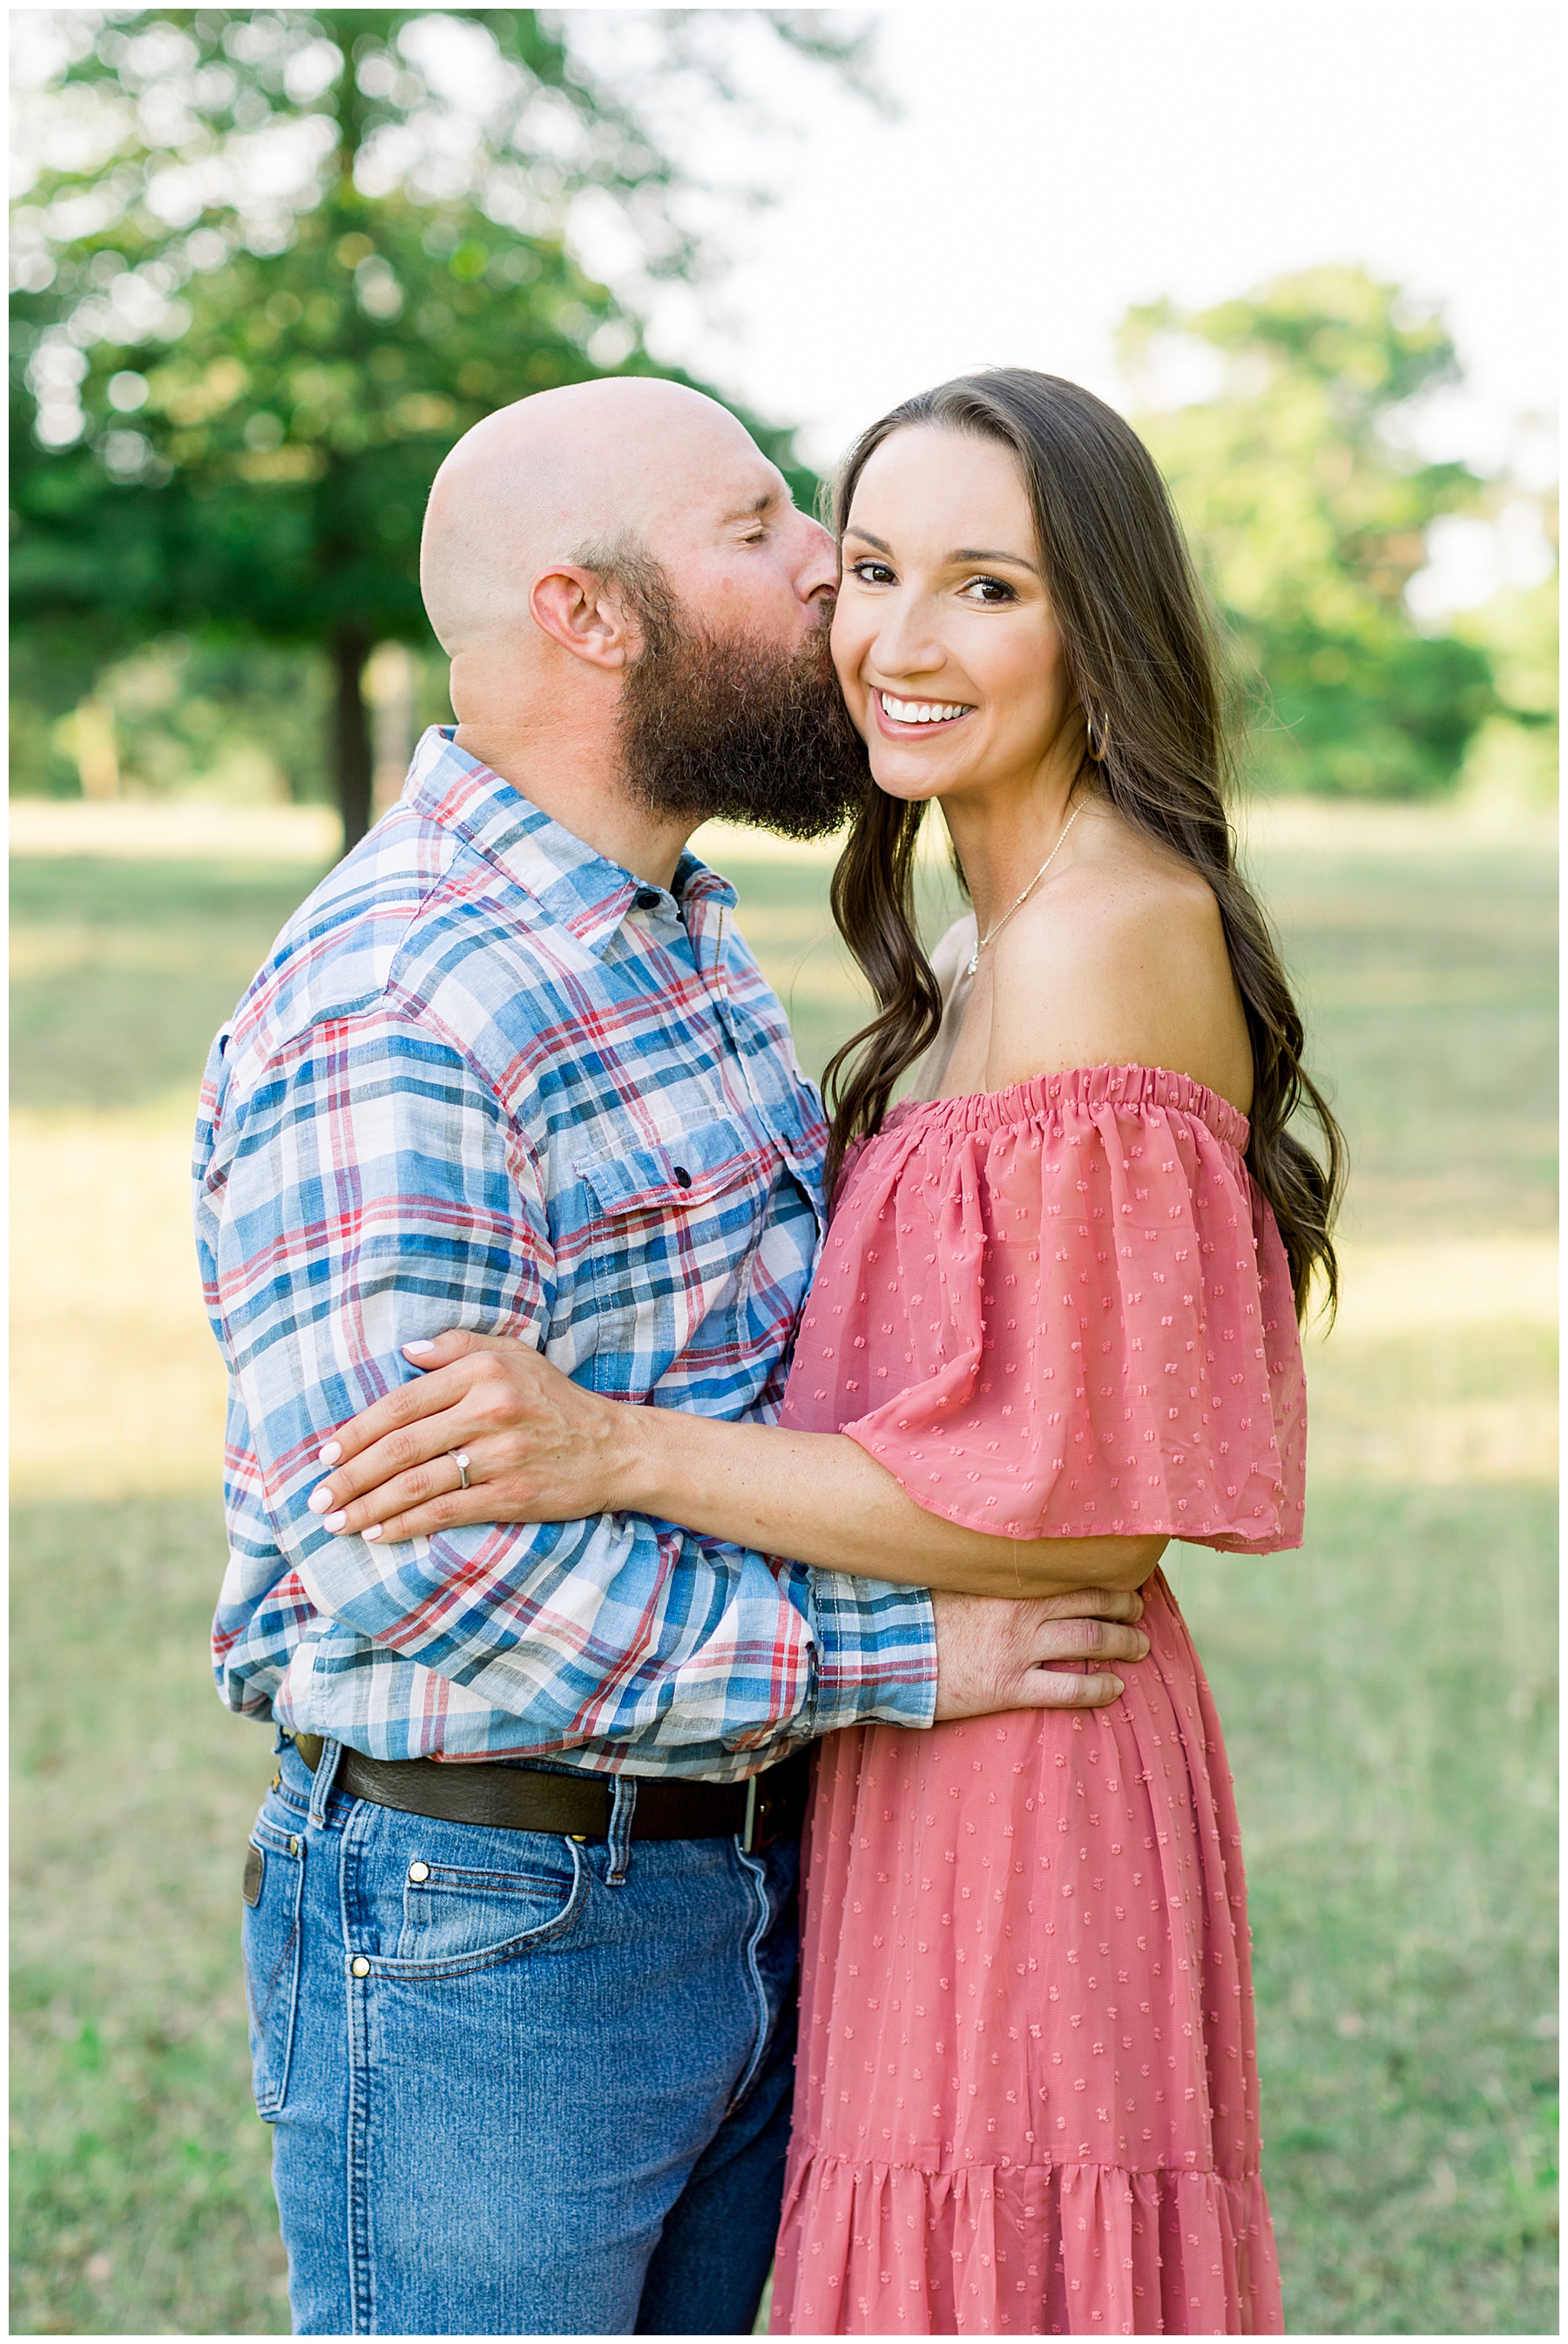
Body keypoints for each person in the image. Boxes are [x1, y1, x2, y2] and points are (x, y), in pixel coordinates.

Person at [311, 369, 1344, 2335]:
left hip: (1029, 1750)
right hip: (907, 1749)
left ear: (1097, 624)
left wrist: (612, 1447)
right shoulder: (970, 934)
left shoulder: (1103, 933)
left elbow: (1074, 1519)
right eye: (870, 568)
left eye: (987, 587)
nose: (892, 635)